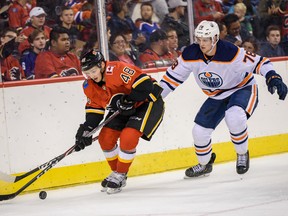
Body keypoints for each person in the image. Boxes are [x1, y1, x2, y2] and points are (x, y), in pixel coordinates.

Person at [160, 20, 287, 178]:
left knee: (234, 116)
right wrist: (155, 98)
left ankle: (242, 153)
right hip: (217, 95)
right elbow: (170, 79)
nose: (201, 43)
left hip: (242, 88)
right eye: (199, 39)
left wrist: (273, 77)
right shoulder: (190, 54)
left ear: (214, 39)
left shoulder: (230, 52)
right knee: (199, 132)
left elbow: (261, 62)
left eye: (205, 39)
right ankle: (205, 164)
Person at [76, 49, 164, 194]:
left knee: (128, 137)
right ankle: (116, 173)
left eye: (93, 71)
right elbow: (95, 111)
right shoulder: (89, 86)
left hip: (147, 103)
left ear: (102, 65)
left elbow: (145, 85)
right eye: (87, 72)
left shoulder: (117, 69)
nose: (91, 76)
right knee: (105, 139)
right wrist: (86, 130)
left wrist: (129, 100)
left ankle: (121, 174)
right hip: (122, 108)